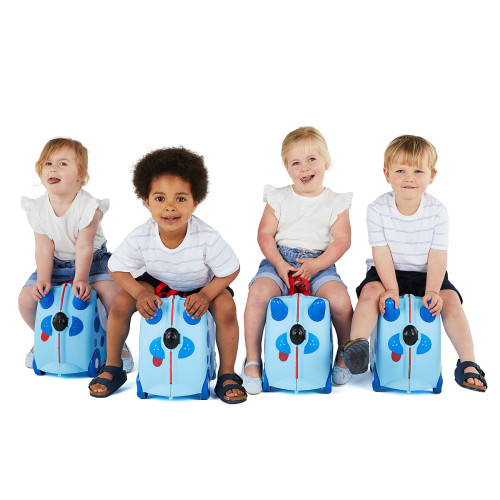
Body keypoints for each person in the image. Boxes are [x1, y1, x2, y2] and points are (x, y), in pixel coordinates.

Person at [88, 147, 246, 403]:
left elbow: (231, 269)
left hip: (200, 286)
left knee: (226, 305)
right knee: (122, 301)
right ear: (147, 202)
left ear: (195, 202)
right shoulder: (142, 235)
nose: (170, 207)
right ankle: (113, 366)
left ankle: (227, 373)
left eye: (181, 199)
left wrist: (206, 295)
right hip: (158, 284)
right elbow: (116, 267)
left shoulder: (207, 237)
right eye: (160, 198)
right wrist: (139, 293)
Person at [343, 135, 487, 391]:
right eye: (401, 171)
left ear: (431, 176)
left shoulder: (438, 211)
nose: (409, 178)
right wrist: (391, 288)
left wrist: (433, 290)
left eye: (418, 171)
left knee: (451, 300)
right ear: (387, 174)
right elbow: (381, 253)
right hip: (387, 271)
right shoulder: (377, 209)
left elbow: (438, 255)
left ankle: (468, 361)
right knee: (370, 293)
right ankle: (357, 345)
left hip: (426, 273)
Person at [241, 126, 354, 394]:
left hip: (320, 263)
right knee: (258, 294)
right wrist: (279, 264)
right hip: (279, 260)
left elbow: (342, 240)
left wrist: (318, 265)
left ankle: (345, 351)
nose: (304, 168)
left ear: (326, 161)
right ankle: (253, 359)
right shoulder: (279, 197)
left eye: (312, 159)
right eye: (296, 163)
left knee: (340, 301)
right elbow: (264, 234)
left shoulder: (335, 201)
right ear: (287, 168)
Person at [18, 138, 132, 371]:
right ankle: (43, 337)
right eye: (48, 163)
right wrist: (44, 279)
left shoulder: (88, 206)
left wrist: (81, 279)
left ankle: (118, 343)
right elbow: (43, 248)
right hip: (55, 264)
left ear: (81, 176)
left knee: (115, 297)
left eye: (63, 164)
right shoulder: (37, 208)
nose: (53, 169)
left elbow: (84, 247)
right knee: (26, 300)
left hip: (94, 262)